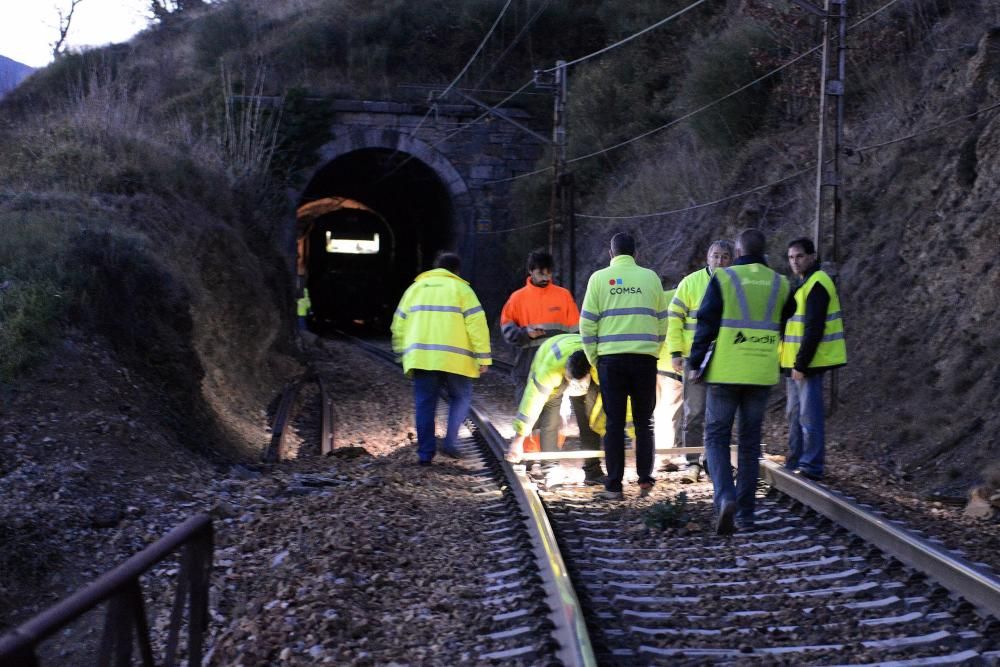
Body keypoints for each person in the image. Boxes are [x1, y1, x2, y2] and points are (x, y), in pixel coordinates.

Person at [687, 228, 791, 534]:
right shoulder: (780, 283)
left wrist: (695, 362)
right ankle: (746, 514)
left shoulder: (724, 278)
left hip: (726, 371)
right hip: (761, 372)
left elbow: (706, 322)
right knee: (749, 444)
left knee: (716, 437)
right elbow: (786, 318)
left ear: (737, 251)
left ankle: (724, 497)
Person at [580, 232, 668, 500]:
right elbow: (662, 320)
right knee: (645, 423)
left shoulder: (598, 279)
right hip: (644, 360)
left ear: (611, 254)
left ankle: (614, 486)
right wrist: (654, 349)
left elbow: (587, 324)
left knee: (614, 424)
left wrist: (594, 357)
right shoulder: (650, 278)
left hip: (611, 361)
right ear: (635, 254)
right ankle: (644, 481)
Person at [391, 252, 491, 465]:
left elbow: (398, 324)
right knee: (461, 398)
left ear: (436, 268)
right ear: (456, 271)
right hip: (457, 360)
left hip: (422, 359)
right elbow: (477, 325)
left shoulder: (415, 290)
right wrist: (483, 357)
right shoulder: (462, 290)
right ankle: (450, 442)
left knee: (425, 405)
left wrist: (400, 353)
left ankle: (425, 454)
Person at [665, 240, 734, 482]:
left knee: (720, 413)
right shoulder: (691, 283)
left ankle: (713, 461)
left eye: (725, 257)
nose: (720, 261)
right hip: (694, 359)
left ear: (732, 260)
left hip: (726, 359)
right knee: (694, 411)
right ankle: (692, 461)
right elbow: (674, 318)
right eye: (716, 256)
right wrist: (675, 352)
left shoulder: (736, 284)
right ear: (707, 258)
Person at [781, 237, 847, 481]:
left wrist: (801, 364)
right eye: (790, 257)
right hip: (795, 364)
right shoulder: (802, 283)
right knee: (795, 415)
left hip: (808, 364)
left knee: (809, 416)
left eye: (799, 256)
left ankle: (811, 465)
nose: (794, 262)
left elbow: (814, 328)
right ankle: (796, 460)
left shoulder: (817, 283)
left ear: (812, 256)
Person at [505, 334, 606, 486]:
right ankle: (550, 468)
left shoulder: (599, 367)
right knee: (550, 420)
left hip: (584, 371)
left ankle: (593, 471)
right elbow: (531, 403)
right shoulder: (549, 370)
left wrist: (632, 431)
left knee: (590, 419)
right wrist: (518, 440)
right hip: (549, 356)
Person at [500, 249, 580, 401]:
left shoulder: (563, 296)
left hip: (556, 371)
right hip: (526, 369)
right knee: (526, 421)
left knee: (550, 423)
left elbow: (576, 334)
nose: (546, 277)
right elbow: (507, 329)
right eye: (541, 273)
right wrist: (525, 334)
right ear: (530, 271)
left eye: (549, 273)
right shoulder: (517, 298)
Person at [654, 281, 684, 454]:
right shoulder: (684, 297)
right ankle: (664, 456)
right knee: (670, 411)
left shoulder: (660, 298)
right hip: (673, 364)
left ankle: (660, 452)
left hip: (656, 360)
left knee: (659, 410)